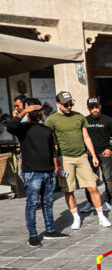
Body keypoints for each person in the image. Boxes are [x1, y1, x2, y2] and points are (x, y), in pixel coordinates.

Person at [7, 98, 68, 246]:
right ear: (28, 110)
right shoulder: (22, 128)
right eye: (35, 109)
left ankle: (50, 231)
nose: (39, 112)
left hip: (49, 173)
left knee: (48, 203)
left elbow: (52, 150)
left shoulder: (46, 129)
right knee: (32, 204)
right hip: (32, 173)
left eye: (39, 109)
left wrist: (56, 167)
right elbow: (10, 126)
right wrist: (24, 111)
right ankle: (33, 236)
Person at [45, 91, 111, 230]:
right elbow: (49, 142)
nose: (69, 106)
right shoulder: (52, 120)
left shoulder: (79, 117)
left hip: (81, 156)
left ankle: (101, 216)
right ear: (57, 104)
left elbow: (86, 137)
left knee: (93, 186)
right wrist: (55, 163)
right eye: (66, 104)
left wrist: (93, 155)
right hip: (65, 159)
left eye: (71, 104)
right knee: (69, 190)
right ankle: (76, 218)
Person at [78, 97, 112, 214]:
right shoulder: (85, 121)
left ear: (100, 107)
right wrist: (84, 150)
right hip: (90, 155)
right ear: (88, 109)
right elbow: (81, 137)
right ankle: (90, 202)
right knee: (89, 180)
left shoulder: (108, 119)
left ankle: (107, 201)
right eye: (92, 107)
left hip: (104, 154)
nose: (95, 109)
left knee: (107, 178)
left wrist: (110, 149)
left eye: (96, 107)